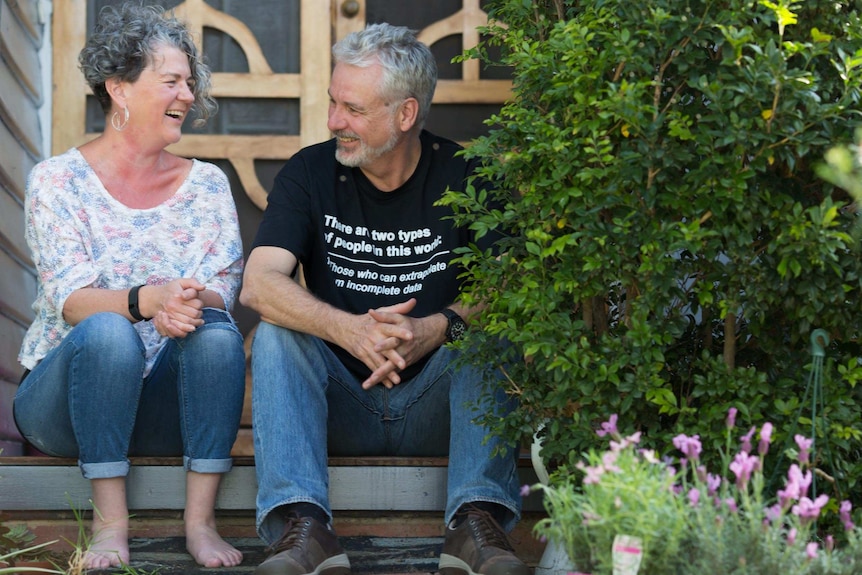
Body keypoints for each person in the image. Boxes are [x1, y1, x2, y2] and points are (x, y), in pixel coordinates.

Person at [240, 22, 529, 575]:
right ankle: (302, 526)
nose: (333, 121)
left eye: (352, 108)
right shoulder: (309, 171)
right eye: (332, 102)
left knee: (487, 331)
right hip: (340, 404)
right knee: (279, 332)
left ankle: (476, 522)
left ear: (405, 114)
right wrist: (351, 330)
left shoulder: (468, 174)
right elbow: (259, 283)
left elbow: (510, 287)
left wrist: (438, 328)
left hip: (437, 406)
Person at [13, 3, 246, 570]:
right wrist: (148, 301)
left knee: (216, 335)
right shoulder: (57, 181)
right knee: (109, 331)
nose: (188, 95)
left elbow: (224, 288)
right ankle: (111, 525)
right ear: (119, 89)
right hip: (65, 405)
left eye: (190, 83)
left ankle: (200, 522)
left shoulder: (208, 186)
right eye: (172, 81)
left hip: (165, 406)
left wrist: (186, 304)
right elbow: (72, 301)